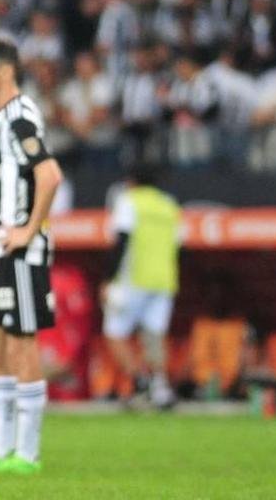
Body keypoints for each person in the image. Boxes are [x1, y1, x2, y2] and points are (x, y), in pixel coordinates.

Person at [0, 36, 63, 477]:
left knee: (23, 346)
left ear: (6, 70)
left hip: (21, 254)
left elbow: (50, 175)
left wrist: (28, 229)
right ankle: (2, 450)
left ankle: (28, 453)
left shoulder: (20, 115)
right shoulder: (3, 118)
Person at [101, 168, 182, 409]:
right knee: (154, 336)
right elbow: (180, 246)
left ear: (132, 181)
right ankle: (160, 389)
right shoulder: (169, 204)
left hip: (134, 278)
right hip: (164, 280)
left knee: (114, 332)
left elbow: (122, 241)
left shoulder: (129, 201)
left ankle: (141, 383)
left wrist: (108, 278)